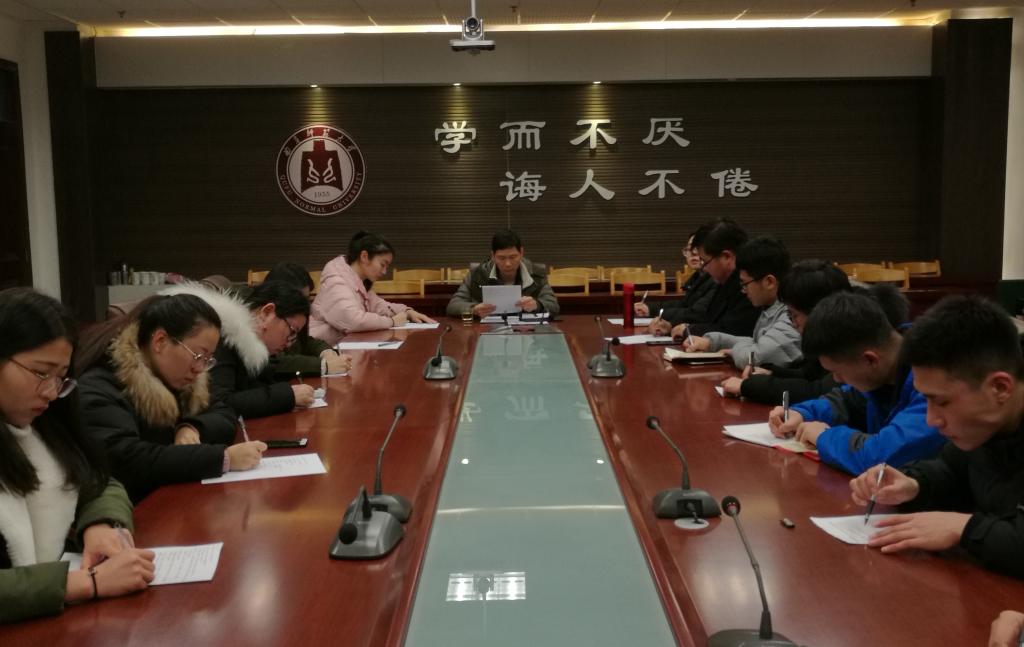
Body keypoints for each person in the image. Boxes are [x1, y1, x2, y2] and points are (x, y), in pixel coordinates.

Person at [0, 288, 156, 623]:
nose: (51, 392)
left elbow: (99, 481)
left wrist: (100, 524)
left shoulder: (43, 425)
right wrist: (87, 583)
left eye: (60, 378)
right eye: (40, 373)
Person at [849, 296, 1024, 579]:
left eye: (941, 402)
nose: (931, 419)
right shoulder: (983, 428)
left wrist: (963, 528)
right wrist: (914, 484)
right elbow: (951, 470)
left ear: (1000, 388)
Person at [77, 294, 266, 502]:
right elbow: (128, 460)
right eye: (198, 355)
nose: (199, 369)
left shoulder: (181, 379)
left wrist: (191, 427)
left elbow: (224, 412)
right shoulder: (101, 385)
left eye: (207, 359)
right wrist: (223, 458)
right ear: (160, 341)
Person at [768, 291, 944, 474]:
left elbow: (880, 456)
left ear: (870, 360)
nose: (835, 379)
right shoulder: (881, 372)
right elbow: (845, 400)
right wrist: (802, 413)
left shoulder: (934, 385)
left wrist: (823, 437)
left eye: (837, 372)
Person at [163, 281, 317, 419]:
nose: (289, 343)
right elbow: (219, 402)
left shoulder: (251, 349)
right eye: (292, 331)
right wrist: (287, 396)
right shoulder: (223, 335)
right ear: (267, 313)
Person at [720, 260, 851, 402]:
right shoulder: (827, 338)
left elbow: (818, 391)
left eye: (794, 315)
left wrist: (748, 386)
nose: (793, 323)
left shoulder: (850, 343)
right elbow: (809, 374)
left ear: (818, 312)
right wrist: (772, 372)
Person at [683, 236, 800, 370]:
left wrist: (735, 352)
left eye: (745, 284)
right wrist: (712, 342)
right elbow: (756, 343)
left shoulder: (793, 313)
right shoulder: (771, 306)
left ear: (769, 282)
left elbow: (753, 358)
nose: (744, 291)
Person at [309, 232, 435, 344]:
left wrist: (406, 312)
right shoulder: (336, 281)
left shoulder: (358, 280)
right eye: (382, 264)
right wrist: (392, 322)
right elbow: (353, 320)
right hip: (322, 349)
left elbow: (378, 305)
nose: (384, 271)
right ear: (364, 257)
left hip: (341, 345)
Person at [648, 218, 759, 338]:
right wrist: (671, 326)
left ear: (726, 257)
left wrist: (689, 330)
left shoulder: (751, 283)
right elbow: (708, 319)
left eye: (705, 262)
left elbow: (733, 331)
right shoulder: (724, 281)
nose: (704, 268)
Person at [259, 263, 352, 378]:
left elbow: (305, 342)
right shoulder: (265, 323)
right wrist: (324, 365)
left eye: (306, 299)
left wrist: (327, 353)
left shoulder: (296, 317)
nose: (303, 306)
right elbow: (275, 362)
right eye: (298, 299)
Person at [446, 230, 560, 318]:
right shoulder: (477, 274)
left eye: (513, 257)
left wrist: (537, 304)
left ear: (521, 253)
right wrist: (474, 309)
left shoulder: (536, 274)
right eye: (501, 258)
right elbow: (453, 305)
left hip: (526, 330)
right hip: (486, 330)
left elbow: (553, 305)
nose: (508, 264)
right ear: (493, 256)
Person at [636, 226, 715, 322]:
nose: (693, 253)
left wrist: (660, 313)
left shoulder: (717, 279)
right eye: (689, 248)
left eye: (697, 248)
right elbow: (683, 304)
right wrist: (649, 308)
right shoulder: (696, 278)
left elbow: (695, 313)